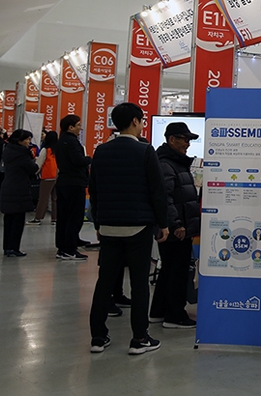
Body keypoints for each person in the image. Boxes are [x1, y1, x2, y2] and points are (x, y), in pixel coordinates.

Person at [88, 102, 168, 355]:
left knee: (105, 281)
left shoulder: (101, 151)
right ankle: (139, 338)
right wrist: (163, 223)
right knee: (139, 283)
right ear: (135, 121)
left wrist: (98, 222)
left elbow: (94, 191)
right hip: (138, 226)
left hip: (108, 226)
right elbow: (157, 191)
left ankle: (98, 337)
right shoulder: (145, 150)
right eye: (142, 120)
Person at [149, 121, 200, 329]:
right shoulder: (166, 164)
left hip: (179, 226)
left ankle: (158, 311)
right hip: (176, 229)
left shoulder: (175, 162)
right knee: (176, 272)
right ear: (172, 139)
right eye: (184, 139)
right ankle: (175, 316)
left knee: (169, 270)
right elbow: (165, 198)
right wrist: (176, 223)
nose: (187, 144)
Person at [54, 115, 91, 260]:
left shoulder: (61, 141)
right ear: (71, 127)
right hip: (74, 183)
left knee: (64, 216)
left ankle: (64, 245)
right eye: (78, 125)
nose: (80, 128)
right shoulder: (72, 142)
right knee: (74, 217)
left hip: (64, 182)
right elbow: (78, 160)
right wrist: (89, 159)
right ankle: (70, 248)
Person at [0, 129, 38, 257]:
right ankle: (14, 247)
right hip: (19, 188)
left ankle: (7, 247)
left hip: (7, 186)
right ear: (19, 140)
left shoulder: (8, 150)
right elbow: (33, 168)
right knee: (18, 220)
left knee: (9, 220)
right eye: (27, 139)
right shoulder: (22, 154)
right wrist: (33, 159)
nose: (29, 142)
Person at [28, 131, 58, 225]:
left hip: (47, 176)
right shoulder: (59, 150)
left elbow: (39, 163)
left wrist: (33, 173)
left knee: (43, 198)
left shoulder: (46, 150)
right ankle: (55, 218)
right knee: (55, 199)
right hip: (58, 176)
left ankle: (38, 218)